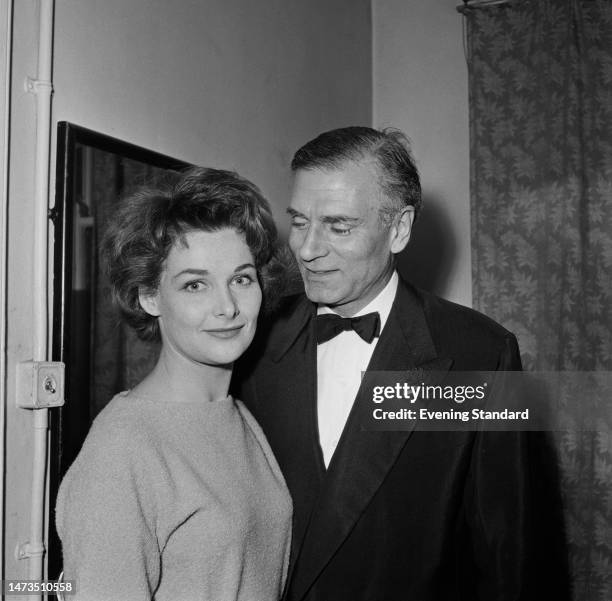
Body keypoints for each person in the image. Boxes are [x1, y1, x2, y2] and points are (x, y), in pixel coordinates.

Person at [234, 126, 567, 600]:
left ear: (399, 229)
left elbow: (511, 552)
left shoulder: (481, 354)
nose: (305, 249)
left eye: (338, 225)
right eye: (300, 221)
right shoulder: (255, 338)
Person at [55, 167, 292, 601]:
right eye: (195, 284)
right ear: (149, 295)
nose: (228, 307)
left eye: (241, 278)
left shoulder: (238, 417)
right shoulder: (123, 448)